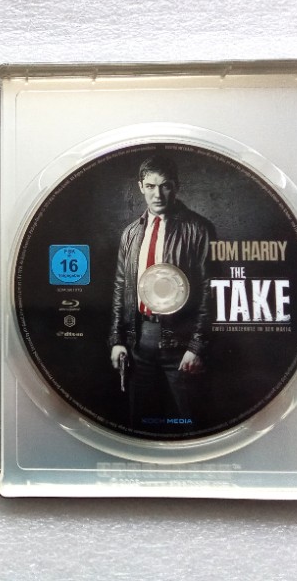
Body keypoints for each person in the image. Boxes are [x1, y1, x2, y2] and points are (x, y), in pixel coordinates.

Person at [108, 153, 216, 427]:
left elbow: (210, 292)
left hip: (182, 342)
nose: (157, 194)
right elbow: (121, 288)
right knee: (138, 422)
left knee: (192, 422)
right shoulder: (130, 233)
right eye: (151, 186)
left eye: (165, 186)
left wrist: (197, 347)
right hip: (138, 342)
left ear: (176, 187)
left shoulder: (199, 229)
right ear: (140, 187)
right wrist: (118, 340)